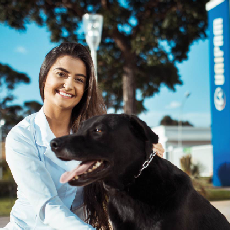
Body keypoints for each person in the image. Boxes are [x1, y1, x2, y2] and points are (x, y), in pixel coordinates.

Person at [4, 42, 164, 230]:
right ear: (44, 77)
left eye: (79, 79)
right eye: (61, 74)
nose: (69, 85)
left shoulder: (96, 135)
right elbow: (48, 206)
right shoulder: (21, 136)